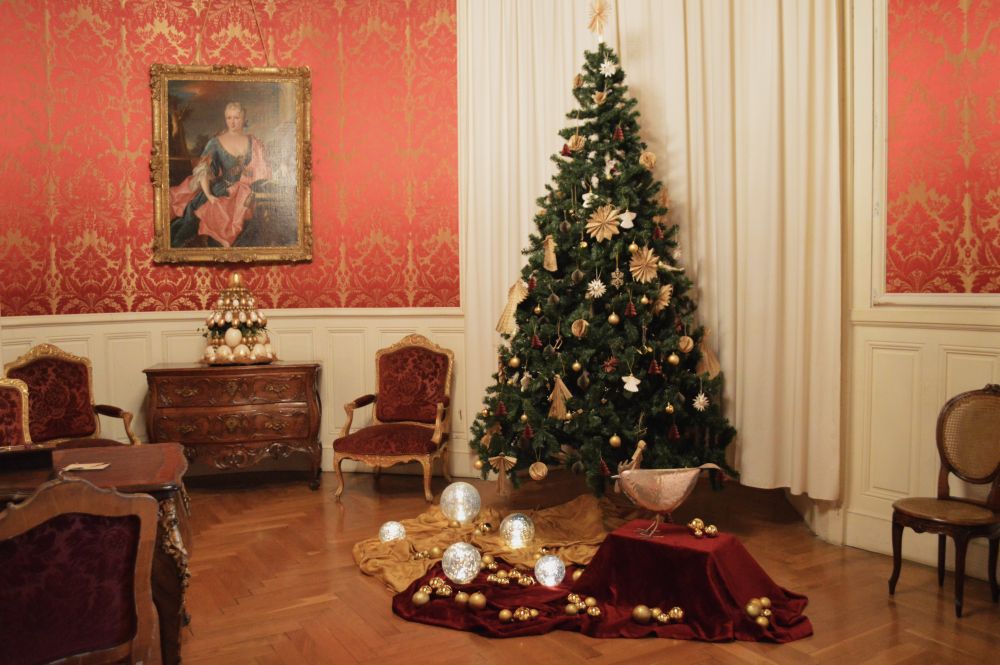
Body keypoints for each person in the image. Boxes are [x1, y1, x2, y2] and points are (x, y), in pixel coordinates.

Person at [169, 101, 272, 248]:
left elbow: (261, 170)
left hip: (245, 192)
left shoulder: (253, 142)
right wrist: (209, 195)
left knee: (255, 228)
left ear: (243, 119)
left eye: (236, 117)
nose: (232, 122)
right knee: (194, 222)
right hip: (220, 191)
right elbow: (203, 171)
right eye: (229, 118)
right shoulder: (215, 143)